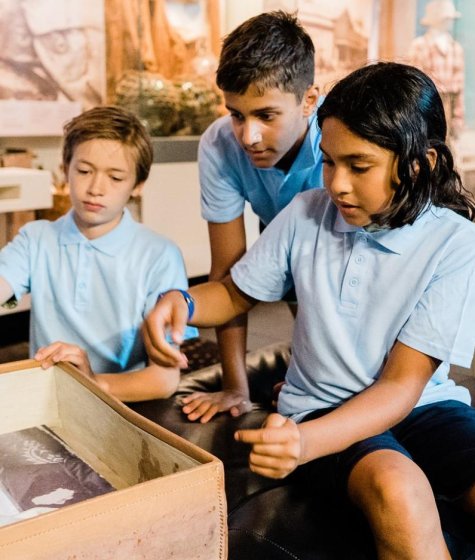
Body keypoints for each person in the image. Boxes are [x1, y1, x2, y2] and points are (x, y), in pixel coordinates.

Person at [144, 62, 475, 558]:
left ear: (419, 163)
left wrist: (303, 443)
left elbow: (403, 385)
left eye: (358, 166)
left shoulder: (456, 243)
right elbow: (234, 294)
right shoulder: (305, 213)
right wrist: (183, 300)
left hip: (420, 406)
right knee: (400, 489)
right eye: (328, 161)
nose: (337, 184)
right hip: (321, 410)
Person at [0, 105, 196, 402]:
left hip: (120, 407)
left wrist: (91, 382)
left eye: (115, 178)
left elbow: (164, 379)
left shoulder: (159, 255)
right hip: (47, 399)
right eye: (84, 171)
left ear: (138, 185)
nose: (95, 188)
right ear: (64, 169)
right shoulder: (37, 238)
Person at [185, 10, 323, 422]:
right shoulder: (219, 144)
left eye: (266, 115)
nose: (249, 136)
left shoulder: (340, 135)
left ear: (309, 101)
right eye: (237, 113)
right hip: (277, 226)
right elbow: (227, 273)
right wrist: (234, 387)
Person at [408, 0, 464, 139]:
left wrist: (458, 117)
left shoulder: (455, 48)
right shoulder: (419, 46)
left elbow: (459, 88)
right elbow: (412, 84)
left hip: (447, 107)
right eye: (447, 18)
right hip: (425, 104)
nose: (450, 22)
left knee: (446, 144)